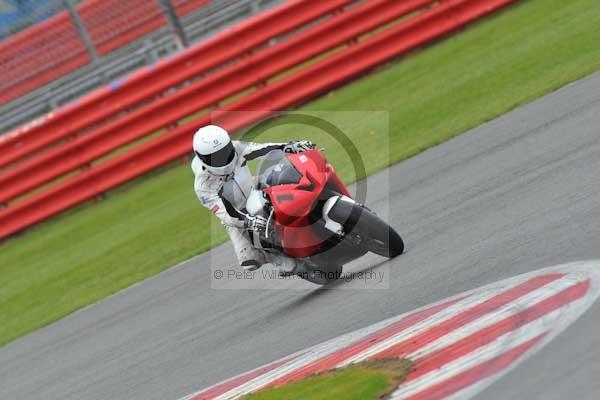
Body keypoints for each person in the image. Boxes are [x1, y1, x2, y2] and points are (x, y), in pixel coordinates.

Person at [191, 125, 314, 271]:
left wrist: (289, 147)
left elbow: (262, 149)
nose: (223, 158)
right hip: (237, 214)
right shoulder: (203, 186)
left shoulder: (237, 148)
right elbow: (225, 213)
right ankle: (274, 257)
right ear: (202, 158)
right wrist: (248, 221)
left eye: (225, 152)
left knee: (287, 176)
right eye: (215, 157)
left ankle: (312, 210)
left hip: (256, 188)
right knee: (249, 261)